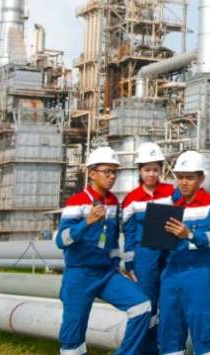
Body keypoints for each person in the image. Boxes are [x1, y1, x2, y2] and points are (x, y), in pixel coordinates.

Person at [56, 146, 151, 355]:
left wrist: (117, 265)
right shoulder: (77, 202)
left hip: (106, 273)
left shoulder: (113, 202)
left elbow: (113, 240)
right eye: (107, 171)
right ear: (92, 173)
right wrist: (86, 222)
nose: (112, 176)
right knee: (72, 337)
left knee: (142, 306)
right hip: (79, 274)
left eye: (115, 172)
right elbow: (61, 240)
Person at [158, 150, 210, 355]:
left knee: (203, 328)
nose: (184, 182)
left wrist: (189, 234)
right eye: (180, 177)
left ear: (201, 178)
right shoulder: (169, 204)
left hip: (199, 272)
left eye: (189, 177)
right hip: (171, 272)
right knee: (169, 329)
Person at [120, 141, 175, 355]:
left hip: (169, 253)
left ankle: (168, 347)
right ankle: (148, 349)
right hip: (144, 257)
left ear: (161, 170)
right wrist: (130, 263)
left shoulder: (171, 192)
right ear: (140, 171)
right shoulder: (131, 199)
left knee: (169, 301)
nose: (151, 174)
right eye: (147, 170)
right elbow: (129, 233)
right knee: (148, 302)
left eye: (155, 169)